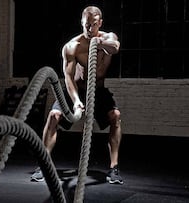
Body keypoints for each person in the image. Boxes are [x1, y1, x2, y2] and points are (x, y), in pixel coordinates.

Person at [30, 5, 123, 184]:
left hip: (98, 91)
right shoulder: (72, 47)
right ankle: (43, 164)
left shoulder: (108, 38)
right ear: (82, 23)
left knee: (115, 117)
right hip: (76, 90)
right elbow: (69, 78)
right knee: (53, 116)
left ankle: (114, 168)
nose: (90, 29)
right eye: (86, 25)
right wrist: (76, 101)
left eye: (94, 25)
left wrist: (98, 43)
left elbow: (115, 47)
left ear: (100, 23)